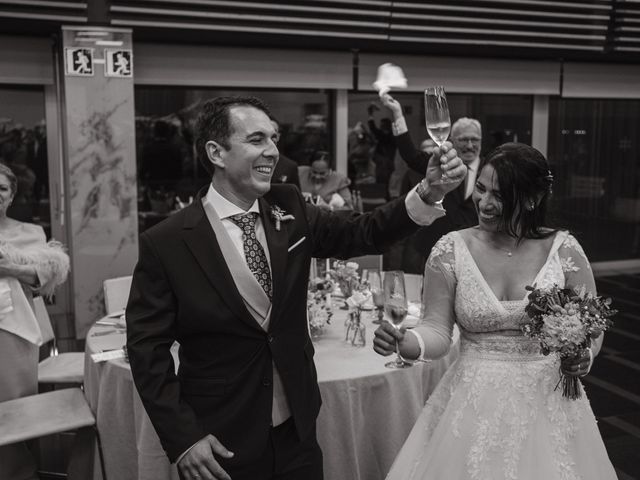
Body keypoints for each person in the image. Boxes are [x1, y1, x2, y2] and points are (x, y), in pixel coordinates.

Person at [125, 95, 467, 480]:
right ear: (216, 153)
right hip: (220, 439)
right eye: (257, 139)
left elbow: (362, 231)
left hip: (297, 432)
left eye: (274, 138)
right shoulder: (168, 242)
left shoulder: (288, 206)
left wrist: (428, 192)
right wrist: (185, 437)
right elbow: (146, 349)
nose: (272, 150)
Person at [373, 143, 617, 480]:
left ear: (532, 199)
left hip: (547, 403)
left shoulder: (564, 250)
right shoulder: (450, 249)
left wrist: (584, 355)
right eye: (481, 189)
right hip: (471, 404)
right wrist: (406, 340)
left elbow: (591, 324)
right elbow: (438, 332)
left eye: (499, 196)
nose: (484, 204)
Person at [0, 163, 70, 480]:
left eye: (1, 189)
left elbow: (44, 277)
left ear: (11, 195)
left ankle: (18, 472)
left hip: (13, 333)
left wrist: (10, 268)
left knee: (13, 411)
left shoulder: (29, 233)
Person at [381, 93, 479, 274]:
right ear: (453, 140)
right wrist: (398, 114)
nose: (470, 145)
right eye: (464, 140)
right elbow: (410, 155)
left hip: (473, 254)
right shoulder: (440, 165)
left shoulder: (489, 172)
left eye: (475, 140)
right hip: (433, 250)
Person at [269, 119, 300, 189]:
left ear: (278, 136)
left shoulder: (290, 166)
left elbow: (295, 197)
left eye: (273, 134)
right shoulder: (250, 161)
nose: (270, 137)